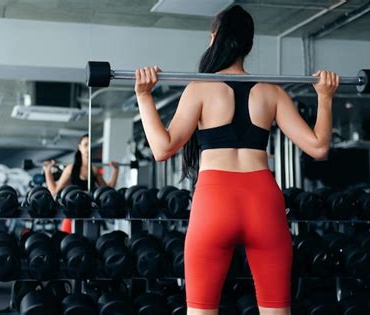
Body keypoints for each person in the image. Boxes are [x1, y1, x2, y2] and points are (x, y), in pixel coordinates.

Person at [134, 4, 339, 315]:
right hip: (263, 203)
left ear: (213, 38)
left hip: (214, 203)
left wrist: (144, 96)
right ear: (250, 45)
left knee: (201, 311)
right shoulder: (273, 92)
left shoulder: (201, 88)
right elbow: (318, 148)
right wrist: (325, 98)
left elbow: (163, 149)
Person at [44, 134, 120, 233]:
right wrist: (47, 171)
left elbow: (107, 192)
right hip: (72, 217)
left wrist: (115, 171)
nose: (88, 148)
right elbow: (54, 191)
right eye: (85, 145)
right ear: (80, 147)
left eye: (90, 145)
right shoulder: (71, 169)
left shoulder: (94, 170)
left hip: (90, 215)